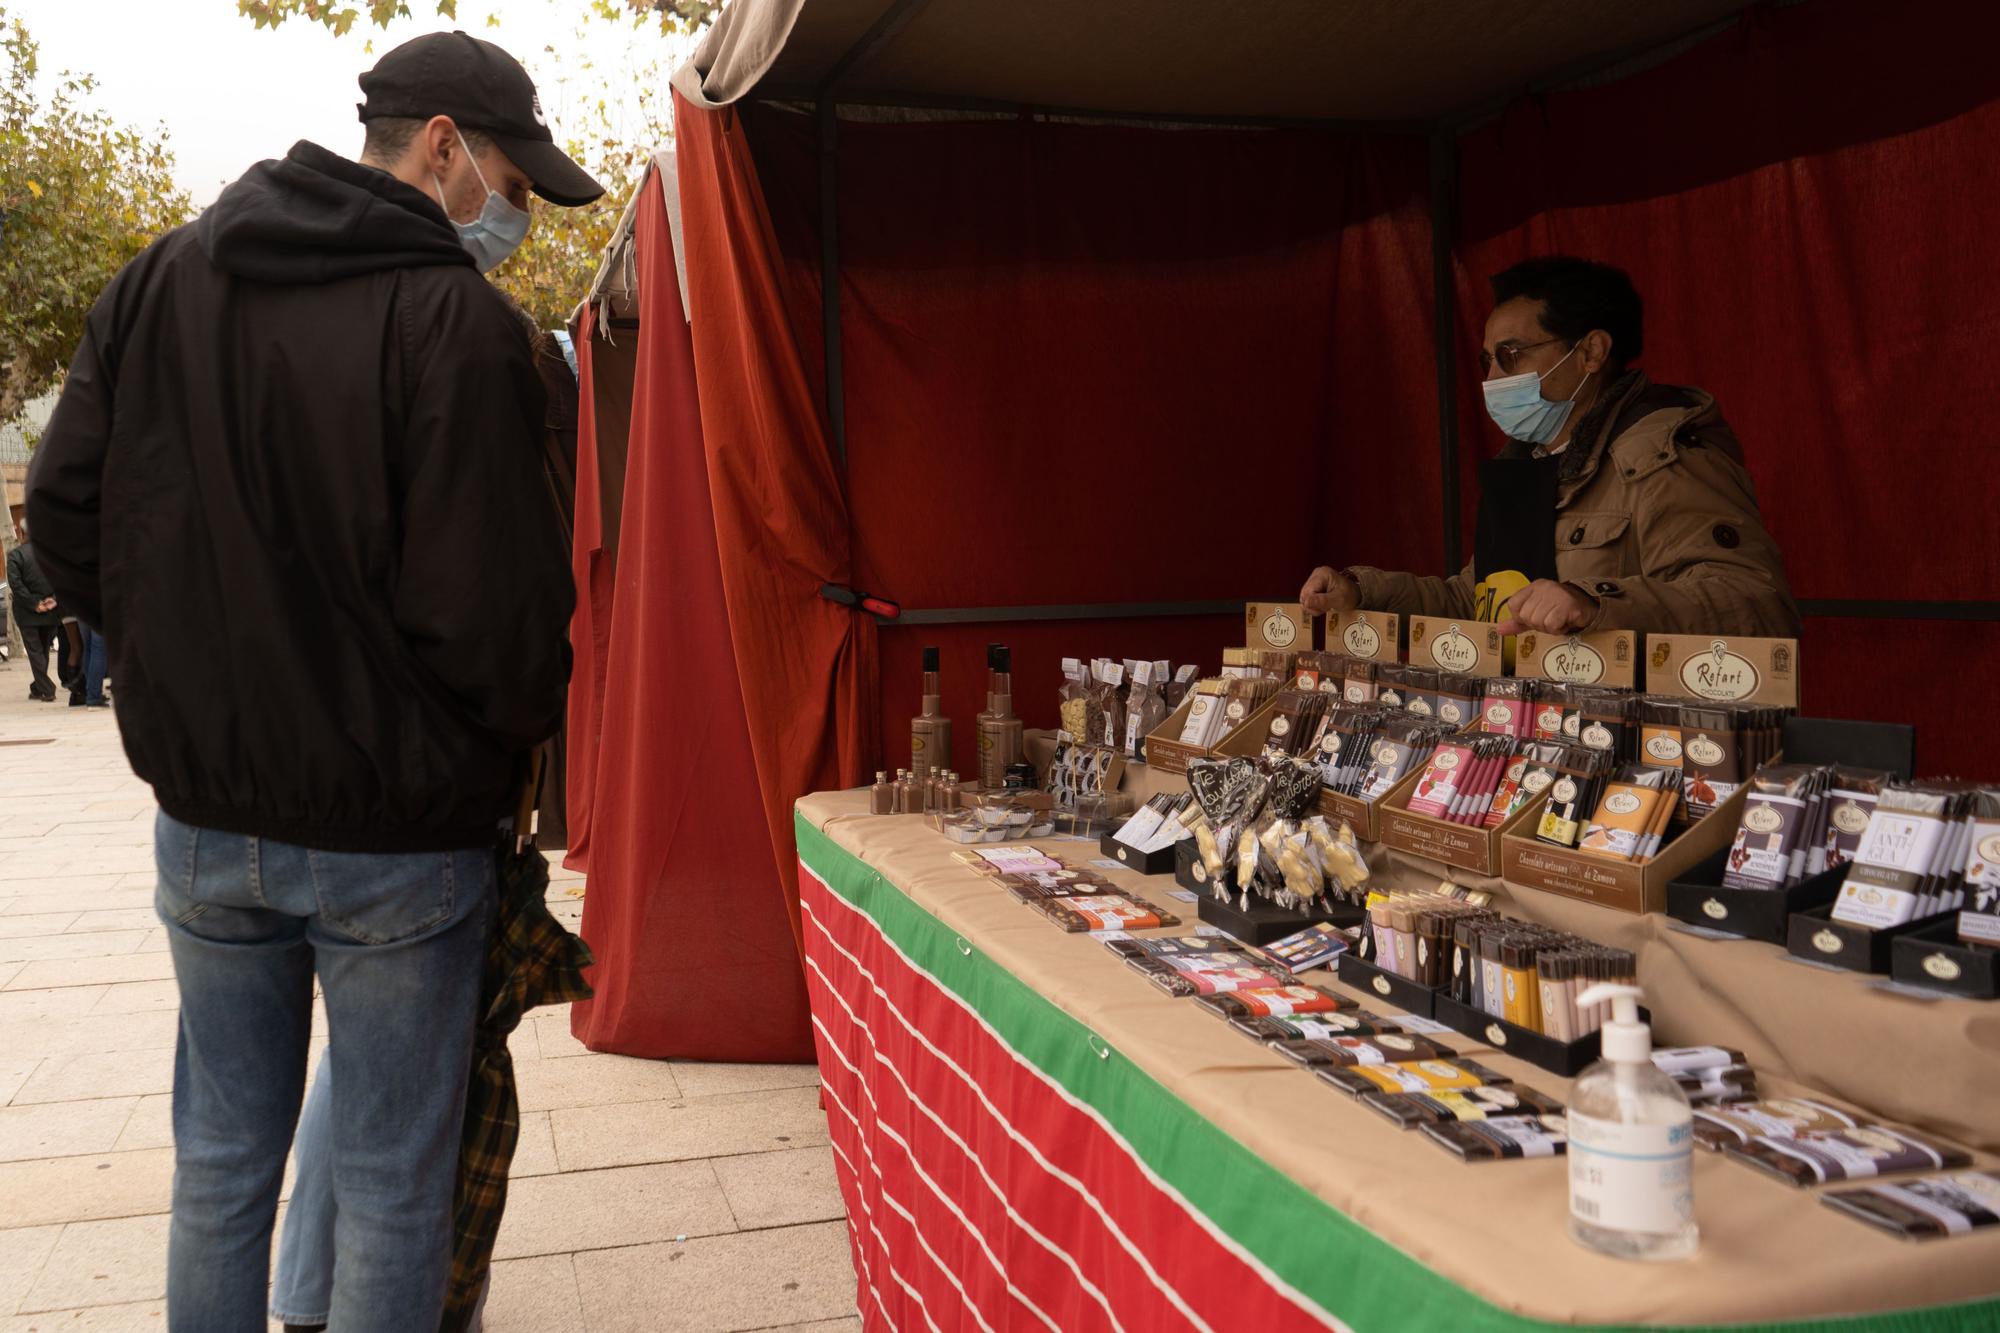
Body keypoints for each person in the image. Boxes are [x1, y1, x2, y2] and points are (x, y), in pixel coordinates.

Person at [26, 30, 598, 1333]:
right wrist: (482, 748)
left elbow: (66, 513)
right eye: (507, 180)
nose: (507, 212)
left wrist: (176, 659)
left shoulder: (162, 281)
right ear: (443, 143)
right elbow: (503, 620)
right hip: (401, 840)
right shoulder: (459, 327)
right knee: (393, 1184)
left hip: (210, 822)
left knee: (221, 1168)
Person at [1301, 256, 1799, 640]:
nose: (1492, 379)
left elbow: (1754, 603)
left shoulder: (1660, 456)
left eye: (1511, 356)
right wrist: (1363, 592)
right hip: (1523, 739)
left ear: (1590, 352)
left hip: (1629, 746)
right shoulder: (1525, 467)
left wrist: (1594, 604)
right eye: (1488, 361)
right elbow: (1479, 606)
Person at [6, 520, 63, 701]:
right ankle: (38, 686)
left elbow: (16, 584)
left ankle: (47, 689)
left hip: (27, 612)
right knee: (43, 649)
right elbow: (60, 578)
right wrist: (52, 599)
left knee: (35, 651)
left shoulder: (15, 555)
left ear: (22, 533)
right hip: (50, 610)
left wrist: (33, 603)